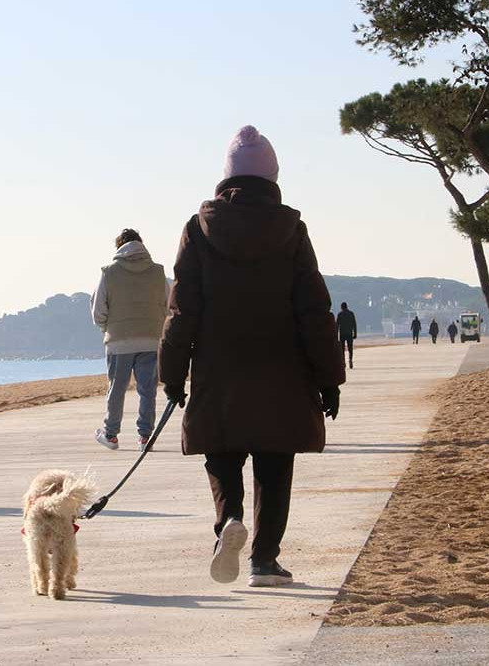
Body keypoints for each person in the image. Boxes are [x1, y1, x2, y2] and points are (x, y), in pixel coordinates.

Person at [158, 126, 345, 588]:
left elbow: (182, 309)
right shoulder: (292, 230)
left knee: (222, 456)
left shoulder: (197, 230)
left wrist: (171, 373)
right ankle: (264, 561)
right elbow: (313, 308)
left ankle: (228, 521)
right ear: (273, 176)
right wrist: (329, 377)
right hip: (283, 370)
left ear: (226, 177)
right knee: (275, 464)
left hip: (218, 368)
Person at [92, 229, 169, 452]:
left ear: (118, 246)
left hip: (119, 341)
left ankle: (110, 434)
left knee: (117, 388)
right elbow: (168, 303)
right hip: (151, 338)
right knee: (148, 390)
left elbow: (98, 309)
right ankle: (145, 437)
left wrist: (106, 328)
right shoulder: (157, 272)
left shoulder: (109, 272)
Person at [336, 302, 358, 369]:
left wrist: (336, 335)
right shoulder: (351, 314)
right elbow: (354, 324)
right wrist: (355, 333)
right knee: (350, 348)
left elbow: (337, 326)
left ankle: (343, 362)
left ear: (342, 307)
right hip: (349, 334)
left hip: (342, 334)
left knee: (342, 349)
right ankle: (350, 359)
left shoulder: (340, 314)